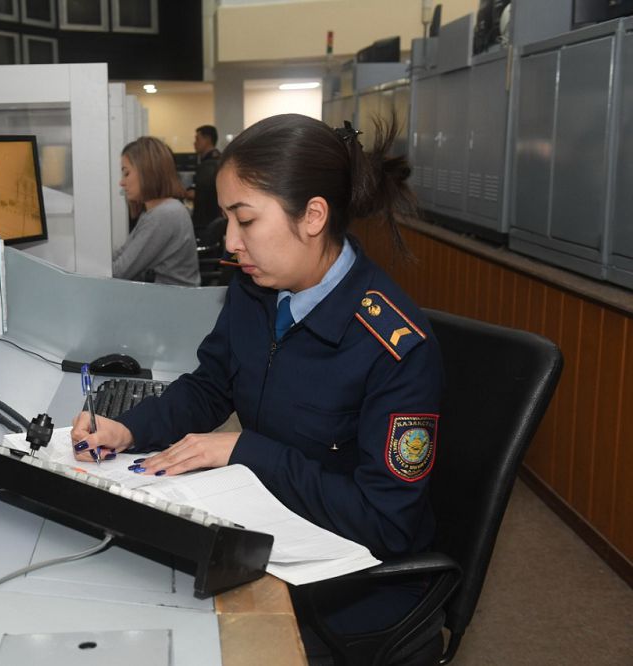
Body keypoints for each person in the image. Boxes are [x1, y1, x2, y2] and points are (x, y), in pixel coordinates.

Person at [72, 114, 443, 654]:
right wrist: (128, 428)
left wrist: (246, 452)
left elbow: (385, 522)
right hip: (264, 528)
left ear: (313, 216)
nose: (230, 242)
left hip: (350, 581)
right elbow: (211, 386)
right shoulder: (256, 288)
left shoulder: (394, 347)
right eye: (227, 219)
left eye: (245, 220)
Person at [112, 136, 201, 287]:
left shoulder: (164, 215)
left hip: (172, 299)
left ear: (147, 172)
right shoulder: (156, 211)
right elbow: (122, 254)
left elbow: (120, 272)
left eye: (126, 173)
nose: (122, 182)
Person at [188, 124, 222, 232]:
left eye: (197, 139)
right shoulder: (220, 159)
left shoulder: (208, 165)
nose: (194, 143)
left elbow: (202, 195)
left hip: (206, 222)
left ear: (207, 139)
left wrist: (183, 193)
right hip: (215, 220)